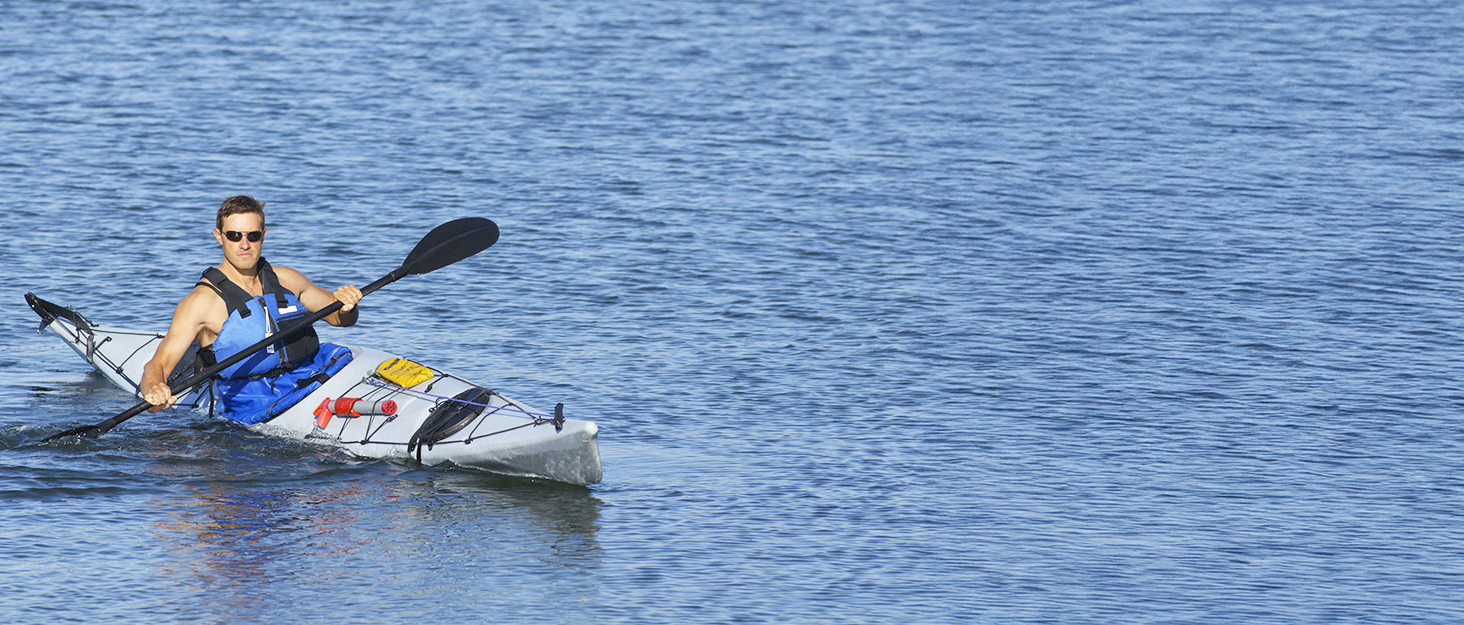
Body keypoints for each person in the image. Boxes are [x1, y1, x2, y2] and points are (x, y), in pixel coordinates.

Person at [139, 196, 363, 424]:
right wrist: (154, 387)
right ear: (219, 236)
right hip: (252, 403)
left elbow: (339, 319)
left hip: (312, 375)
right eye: (234, 236)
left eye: (253, 236)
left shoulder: (289, 279)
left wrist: (348, 307)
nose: (244, 244)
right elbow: (159, 364)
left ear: (263, 235)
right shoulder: (201, 302)